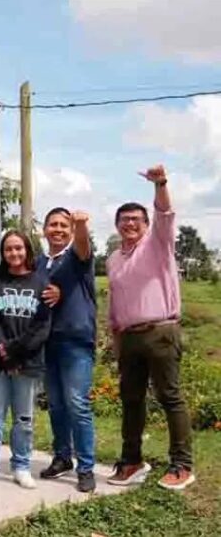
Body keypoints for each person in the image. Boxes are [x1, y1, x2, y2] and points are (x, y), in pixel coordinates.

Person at [106, 166, 195, 491]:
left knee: (170, 396)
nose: (130, 224)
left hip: (160, 331)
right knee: (130, 399)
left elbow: (165, 213)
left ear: (145, 225)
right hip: (127, 336)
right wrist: (114, 337)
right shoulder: (114, 259)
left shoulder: (157, 244)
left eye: (136, 220)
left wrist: (160, 183)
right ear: (117, 226)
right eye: (124, 220)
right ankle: (131, 461)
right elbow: (115, 300)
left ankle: (182, 465)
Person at [0, 231, 51, 490]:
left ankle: (22, 466)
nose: (14, 253)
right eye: (8, 249)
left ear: (27, 250)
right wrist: (5, 352)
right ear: (2, 254)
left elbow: (42, 326)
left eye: (18, 248)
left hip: (27, 362)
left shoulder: (41, 282)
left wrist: (16, 352)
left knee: (24, 419)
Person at [36, 206, 97, 493]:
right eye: (53, 225)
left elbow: (84, 246)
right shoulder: (39, 262)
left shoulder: (75, 256)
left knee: (77, 403)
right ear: (44, 229)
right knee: (57, 405)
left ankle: (86, 466)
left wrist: (81, 225)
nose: (58, 229)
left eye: (64, 225)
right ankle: (63, 457)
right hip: (48, 342)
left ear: (70, 231)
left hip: (75, 340)